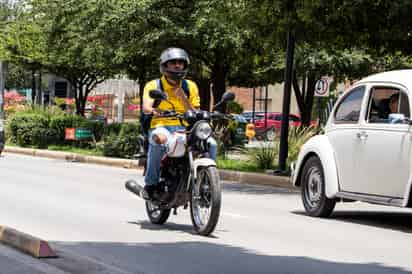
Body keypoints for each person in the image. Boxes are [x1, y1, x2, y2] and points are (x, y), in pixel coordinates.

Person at [142, 47, 217, 199]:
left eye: (180, 63)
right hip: (162, 125)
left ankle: (208, 184)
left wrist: (183, 98)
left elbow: (195, 111)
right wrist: (155, 110)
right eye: (173, 63)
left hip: (185, 128)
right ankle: (150, 185)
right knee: (158, 140)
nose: (177, 66)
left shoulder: (190, 86)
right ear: (165, 65)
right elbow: (146, 107)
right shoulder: (154, 85)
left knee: (211, 143)